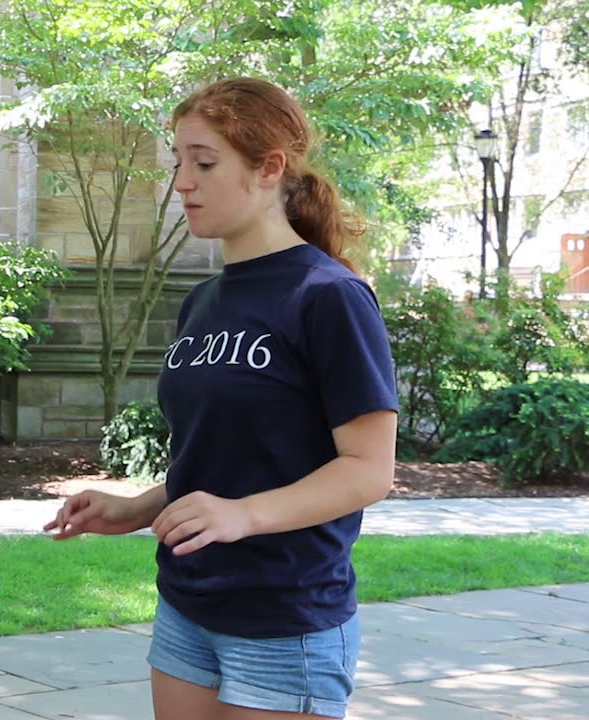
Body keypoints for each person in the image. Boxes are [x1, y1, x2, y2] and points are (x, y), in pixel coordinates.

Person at [45, 77, 398, 720]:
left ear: (270, 168)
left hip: (284, 617)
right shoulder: (202, 301)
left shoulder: (329, 296)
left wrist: (244, 516)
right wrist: (136, 508)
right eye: (178, 162)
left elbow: (368, 471)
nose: (182, 182)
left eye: (204, 163)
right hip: (188, 605)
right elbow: (224, 459)